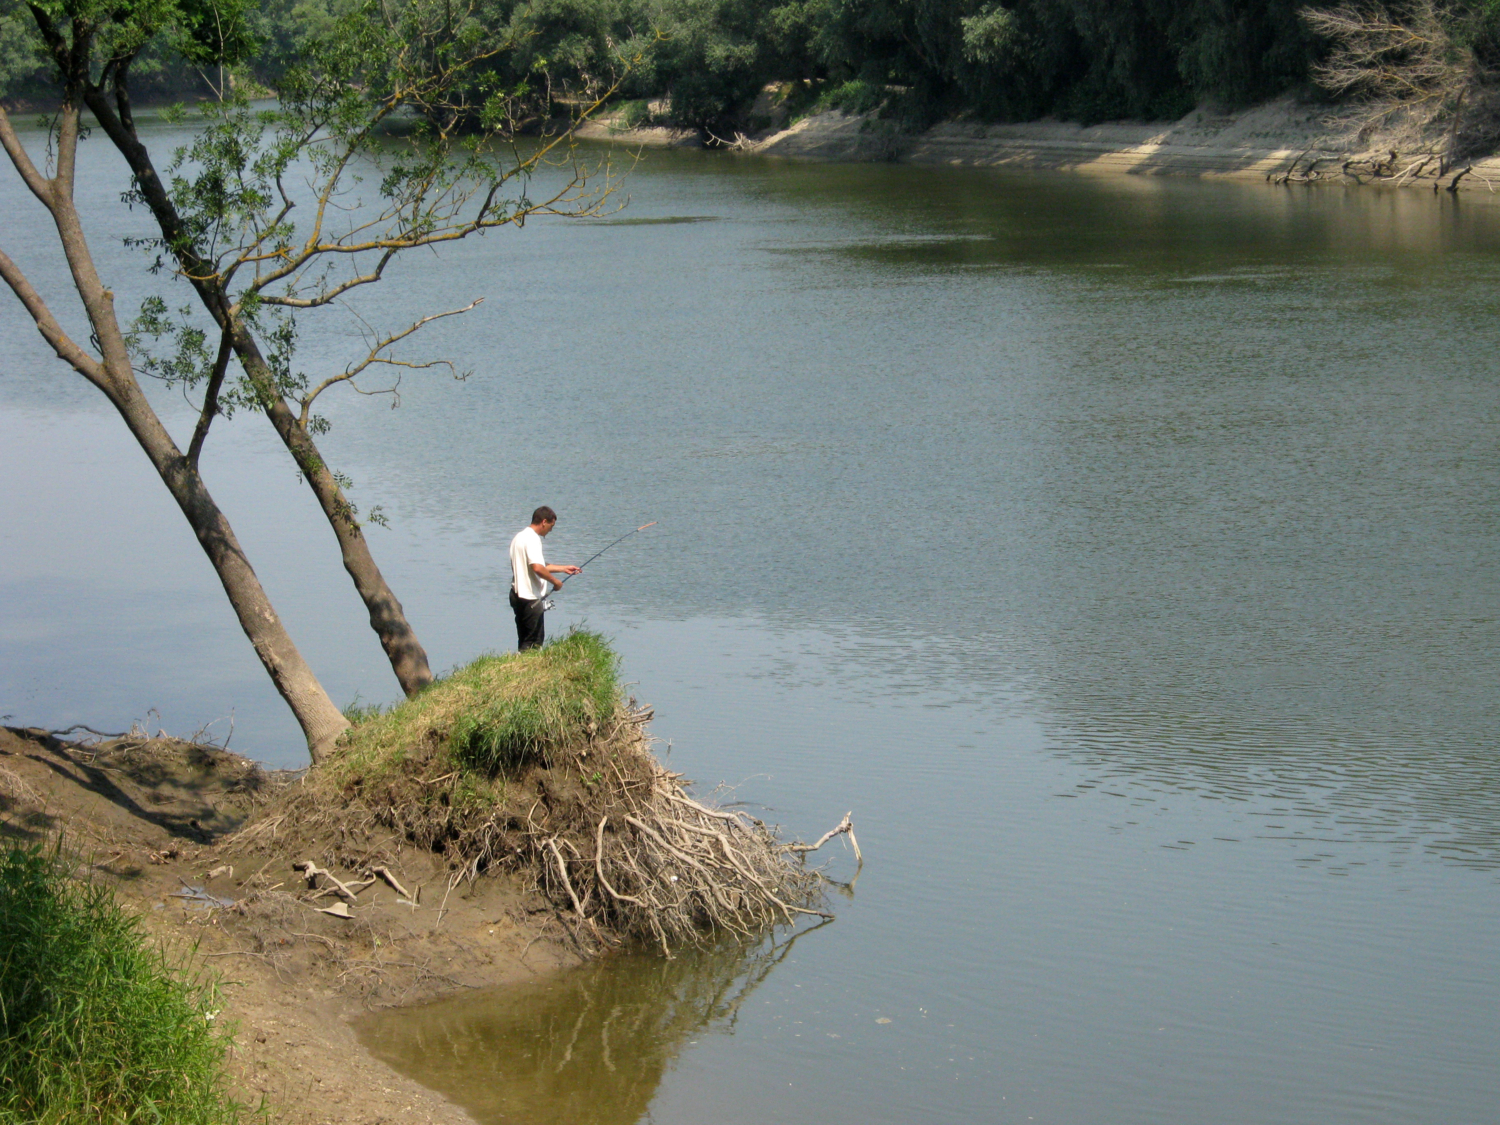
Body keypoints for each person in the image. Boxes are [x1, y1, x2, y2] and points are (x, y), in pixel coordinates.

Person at [508, 506, 580, 651]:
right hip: (530, 598)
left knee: (524, 638)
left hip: (516, 594)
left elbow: (536, 564)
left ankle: (520, 667)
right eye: (551, 526)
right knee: (534, 642)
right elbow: (537, 568)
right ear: (544, 522)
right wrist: (556, 582)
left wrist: (563, 568)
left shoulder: (520, 537)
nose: (551, 530)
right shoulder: (533, 539)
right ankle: (527, 670)